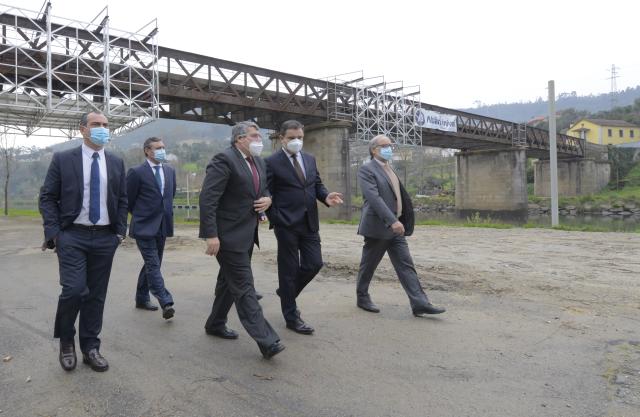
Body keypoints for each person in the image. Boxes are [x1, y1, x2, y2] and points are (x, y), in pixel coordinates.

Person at [39, 111, 127, 372]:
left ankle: (90, 347)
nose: (102, 129)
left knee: (96, 296)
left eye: (105, 125)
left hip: (105, 237)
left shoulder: (115, 162)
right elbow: (47, 198)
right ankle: (67, 341)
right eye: (96, 124)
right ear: (83, 129)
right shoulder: (63, 159)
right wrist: (55, 233)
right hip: (72, 235)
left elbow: (122, 199)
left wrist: (120, 232)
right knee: (75, 290)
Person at [199, 121, 285, 359]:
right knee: (245, 286)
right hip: (227, 236)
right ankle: (267, 340)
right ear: (239, 139)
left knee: (230, 282)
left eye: (259, 135)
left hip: (247, 233)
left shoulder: (258, 161)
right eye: (254, 135)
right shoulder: (224, 160)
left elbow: (262, 190)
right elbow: (208, 199)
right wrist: (211, 235)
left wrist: (267, 200)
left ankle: (215, 323)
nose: (260, 140)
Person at [265, 120, 343, 334]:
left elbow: (316, 184)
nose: (296, 141)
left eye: (299, 137)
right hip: (286, 224)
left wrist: (326, 196)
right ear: (282, 138)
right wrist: (275, 217)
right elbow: (266, 193)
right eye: (291, 138)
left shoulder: (309, 158)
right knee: (288, 271)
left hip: (309, 222)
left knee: (314, 264)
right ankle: (291, 316)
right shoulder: (271, 162)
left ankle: (286, 293)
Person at [355, 135, 446, 317]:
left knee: (406, 265)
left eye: (390, 145)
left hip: (397, 228)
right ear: (374, 150)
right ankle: (362, 297)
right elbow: (374, 199)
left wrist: (401, 219)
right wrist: (392, 221)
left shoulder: (390, 168)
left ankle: (419, 303)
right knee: (369, 264)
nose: (389, 148)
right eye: (385, 145)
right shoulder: (367, 170)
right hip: (379, 227)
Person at [127, 137, 176, 320]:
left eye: (163, 147)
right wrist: (141, 216)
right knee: (153, 264)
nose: (162, 150)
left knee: (153, 263)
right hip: (143, 226)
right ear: (147, 151)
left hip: (162, 226)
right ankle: (165, 300)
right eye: (158, 148)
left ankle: (141, 298)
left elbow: (169, 198)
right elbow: (129, 200)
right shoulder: (136, 172)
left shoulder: (170, 171)